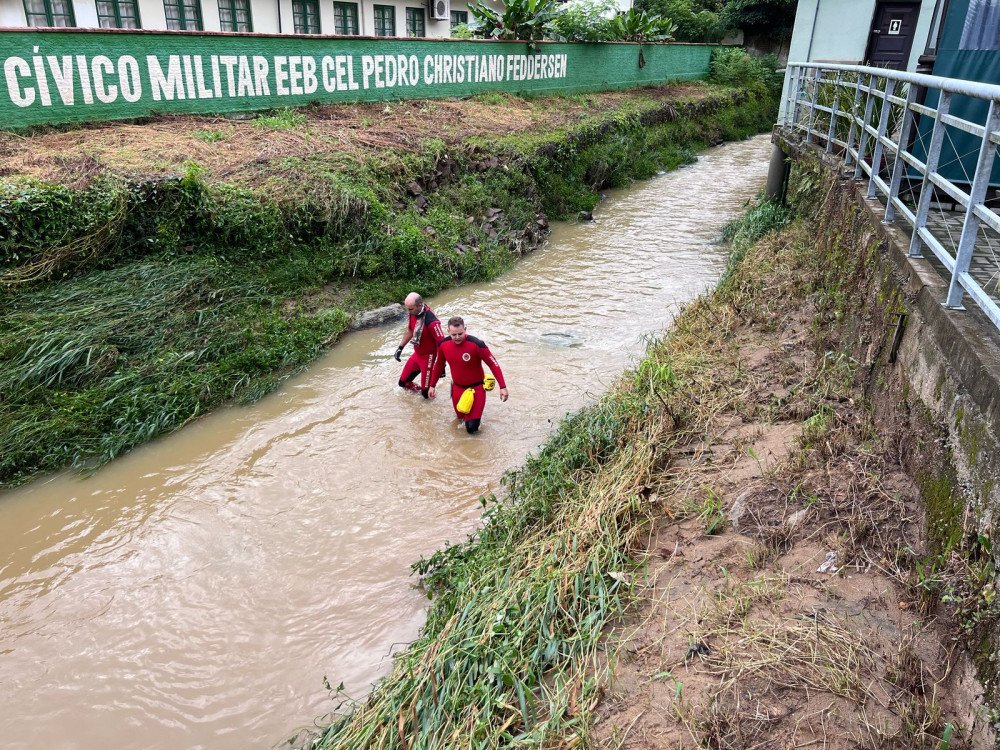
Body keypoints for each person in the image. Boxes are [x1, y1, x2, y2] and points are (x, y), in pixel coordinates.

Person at [428, 316, 509, 434]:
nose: (457, 337)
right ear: (448, 331)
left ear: (465, 329)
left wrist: (502, 387)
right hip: (457, 389)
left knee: (471, 428)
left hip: (476, 389)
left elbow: (493, 364)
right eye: (453, 335)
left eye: (460, 334)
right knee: (460, 421)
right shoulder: (443, 345)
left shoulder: (477, 344)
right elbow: (438, 365)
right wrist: (432, 385)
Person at [395, 293, 445, 398]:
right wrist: (400, 348)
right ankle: (422, 393)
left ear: (419, 305)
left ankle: (428, 397)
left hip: (429, 358)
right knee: (403, 383)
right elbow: (409, 330)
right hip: (417, 354)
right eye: (407, 309)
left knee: (425, 394)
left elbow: (442, 343)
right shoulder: (413, 312)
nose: (408, 312)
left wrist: (441, 365)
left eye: (410, 309)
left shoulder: (432, 322)